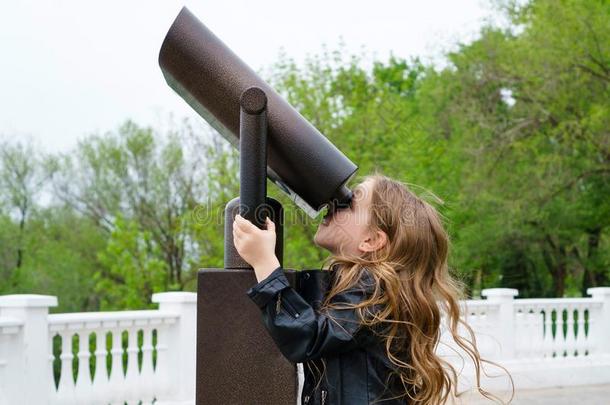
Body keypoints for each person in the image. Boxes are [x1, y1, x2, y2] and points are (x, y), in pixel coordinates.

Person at [233, 173, 512, 404]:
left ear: (371, 240)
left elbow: (309, 337)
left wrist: (265, 263)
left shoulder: (375, 290)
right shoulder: (361, 286)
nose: (334, 203)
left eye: (349, 202)